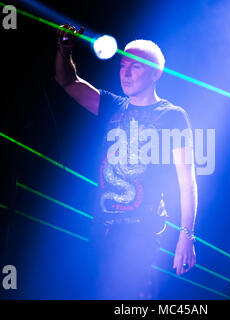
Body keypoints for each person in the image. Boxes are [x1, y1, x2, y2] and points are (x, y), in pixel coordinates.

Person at [55, 24, 198, 299]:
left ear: (156, 73)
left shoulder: (172, 116)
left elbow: (187, 182)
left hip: (141, 234)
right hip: (102, 228)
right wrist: (64, 48)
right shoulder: (111, 105)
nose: (126, 72)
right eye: (123, 66)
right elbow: (68, 82)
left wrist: (186, 235)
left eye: (136, 66)